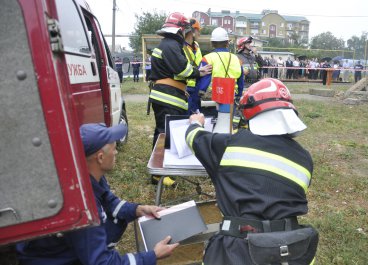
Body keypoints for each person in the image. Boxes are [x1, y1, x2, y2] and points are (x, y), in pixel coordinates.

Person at [185, 78, 319, 265]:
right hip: (290, 249)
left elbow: (193, 138)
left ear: (249, 111)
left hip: (238, 248)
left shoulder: (228, 145)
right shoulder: (305, 159)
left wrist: (195, 123)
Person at [16, 123, 179, 265]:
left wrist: (138, 209)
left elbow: (109, 201)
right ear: (100, 158)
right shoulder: (82, 207)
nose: (116, 153)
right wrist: (153, 255)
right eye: (114, 149)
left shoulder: (85, 175)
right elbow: (102, 262)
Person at [149, 12, 211, 186]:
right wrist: (199, 72)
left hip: (168, 95)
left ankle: (159, 171)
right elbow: (183, 70)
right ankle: (160, 174)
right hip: (167, 97)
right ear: (181, 30)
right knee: (164, 134)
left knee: (162, 132)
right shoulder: (171, 46)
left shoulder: (168, 44)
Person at [196, 27, 244, 127]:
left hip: (211, 100)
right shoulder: (236, 59)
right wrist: (239, 95)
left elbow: (203, 80)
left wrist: (199, 94)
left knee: (210, 127)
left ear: (212, 43)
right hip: (231, 99)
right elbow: (240, 81)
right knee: (227, 127)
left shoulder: (207, 58)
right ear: (227, 43)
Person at [184, 18, 203, 114]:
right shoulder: (180, 46)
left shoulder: (196, 46)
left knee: (196, 114)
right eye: (198, 30)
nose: (199, 33)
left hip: (197, 87)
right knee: (186, 116)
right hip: (186, 88)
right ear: (192, 31)